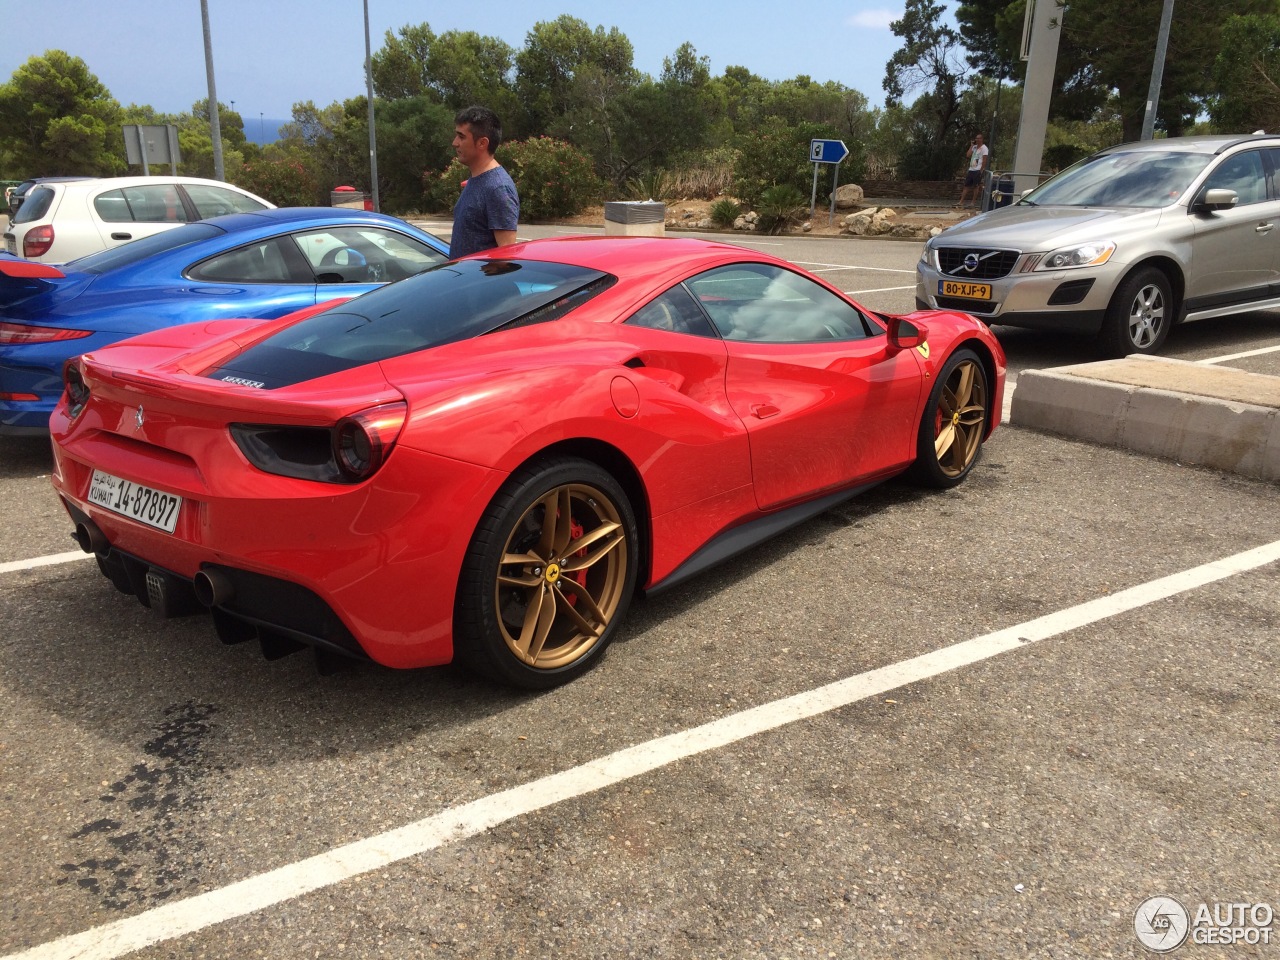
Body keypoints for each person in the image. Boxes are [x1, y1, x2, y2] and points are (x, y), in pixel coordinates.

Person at [449, 106, 520, 258]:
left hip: (479, 282)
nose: (455, 143)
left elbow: (506, 258)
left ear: (482, 143)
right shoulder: (477, 180)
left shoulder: (498, 188)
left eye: (461, 137)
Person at [958, 133, 989, 210]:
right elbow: (968, 155)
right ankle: (961, 201)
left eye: (979, 138)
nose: (977, 140)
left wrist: (981, 170)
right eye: (976, 138)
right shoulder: (974, 147)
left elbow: (985, 160)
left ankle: (973, 202)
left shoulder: (984, 148)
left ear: (982, 139)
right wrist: (971, 145)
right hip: (971, 169)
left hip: (978, 169)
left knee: (976, 186)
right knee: (966, 185)